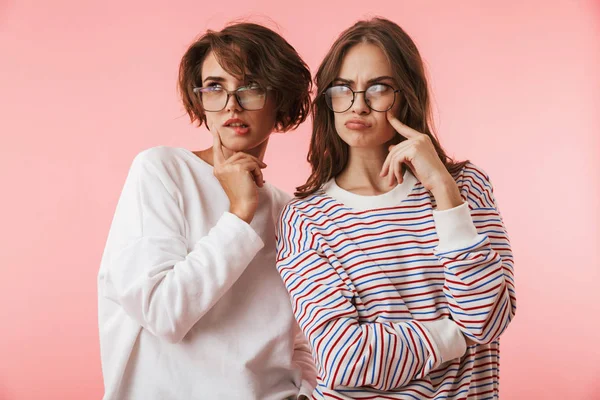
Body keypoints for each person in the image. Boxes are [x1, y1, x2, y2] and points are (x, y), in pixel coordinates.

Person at [276, 17, 516, 399]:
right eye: (343, 89)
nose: (358, 105)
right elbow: (343, 358)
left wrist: (443, 192)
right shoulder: (307, 219)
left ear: (407, 95)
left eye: (378, 89)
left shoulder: (466, 187)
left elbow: (486, 319)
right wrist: (453, 335)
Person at [98, 22, 316, 400]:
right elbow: (163, 313)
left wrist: (309, 391)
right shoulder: (163, 170)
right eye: (215, 87)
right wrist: (240, 213)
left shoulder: (289, 210)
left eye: (250, 87)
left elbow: (300, 336)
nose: (232, 103)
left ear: (279, 98)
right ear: (200, 100)